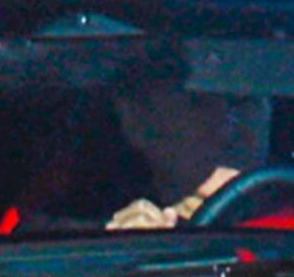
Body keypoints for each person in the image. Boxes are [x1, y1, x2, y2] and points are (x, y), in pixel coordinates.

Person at [102, 45, 273, 230]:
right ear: (136, 122)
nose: (226, 123)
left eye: (240, 102)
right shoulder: (96, 244)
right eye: (198, 102)